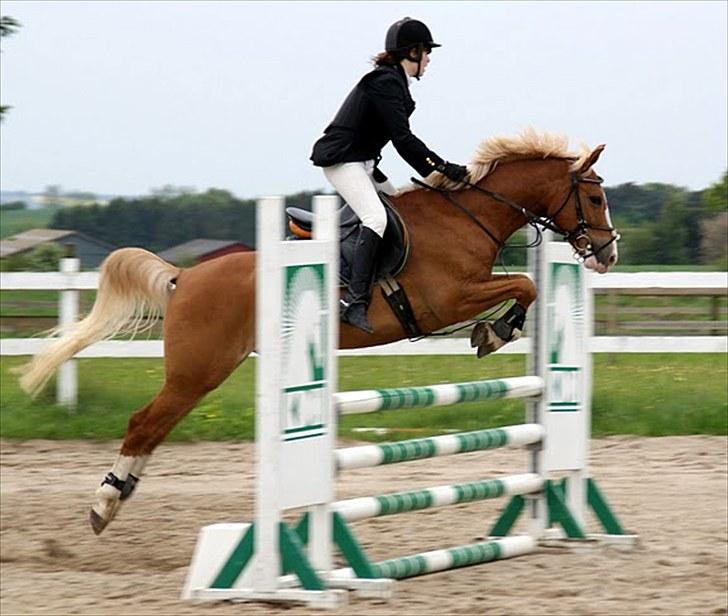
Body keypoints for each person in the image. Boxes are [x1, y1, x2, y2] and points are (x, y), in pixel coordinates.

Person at [310, 17, 469, 334]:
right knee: (376, 219)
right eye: (426, 52)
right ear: (412, 51)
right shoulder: (385, 82)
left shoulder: (394, 82)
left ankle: (386, 283)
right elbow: (403, 139)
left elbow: (399, 141)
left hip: (364, 162)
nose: (428, 60)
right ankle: (355, 303)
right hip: (343, 161)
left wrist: (436, 169)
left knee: (399, 206)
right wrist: (440, 167)